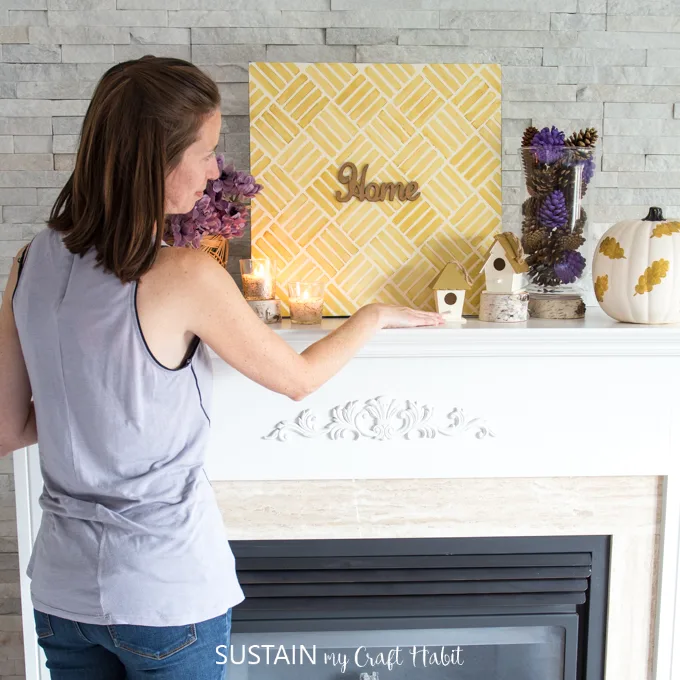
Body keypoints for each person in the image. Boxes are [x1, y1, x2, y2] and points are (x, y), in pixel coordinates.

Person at [0, 55, 444, 680]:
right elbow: (298, 380)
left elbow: (8, 429)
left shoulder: (28, 263)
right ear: (157, 162)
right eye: (206, 151)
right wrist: (369, 316)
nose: (214, 172)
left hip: (62, 596)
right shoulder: (184, 275)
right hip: (165, 593)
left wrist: (99, 399)